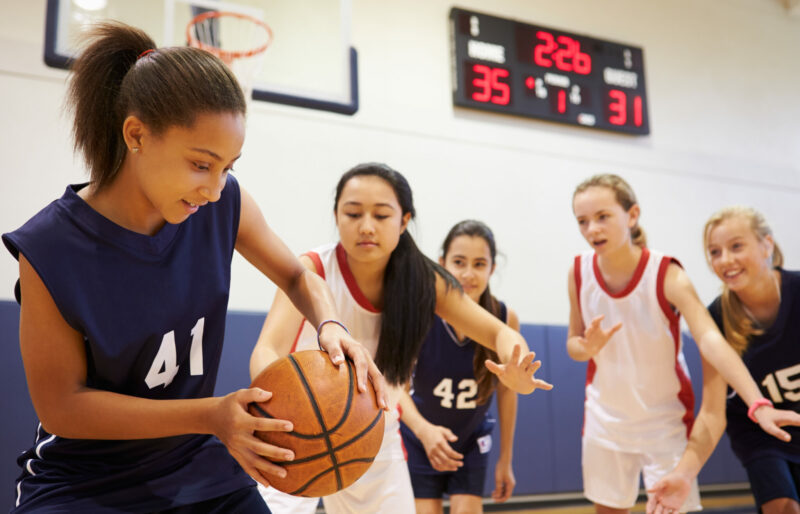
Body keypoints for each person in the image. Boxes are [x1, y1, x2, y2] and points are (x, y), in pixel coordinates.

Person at [2, 22, 385, 513]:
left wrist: (330, 324)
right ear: (136, 134)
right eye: (202, 164)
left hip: (193, 462)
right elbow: (62, 409)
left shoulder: (223, 203)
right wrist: (212, 415)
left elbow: (298, 276)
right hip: (84, 481)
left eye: (228, 166)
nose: (216, 185)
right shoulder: (50, 248)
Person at [249, 163, 552, 513]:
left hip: (372, 432)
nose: (366, 226)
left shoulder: (423, 280)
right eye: (352, 213)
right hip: (296, 430)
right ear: (336, 215)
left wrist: (518, 366)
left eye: (381, 215)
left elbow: (500, 331)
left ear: (404, 220)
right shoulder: (313, 268)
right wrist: (282, 407)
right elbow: (266, 348)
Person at [567, 175, 797, 514]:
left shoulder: (666, 273)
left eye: (602, 216)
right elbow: (573, 343)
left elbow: (711, 342)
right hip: (606, 420)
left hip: (664, 422)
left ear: (632, 215)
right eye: (582, 221)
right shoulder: (577, 271)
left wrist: (757, 403)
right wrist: (585, 348)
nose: (592, 229)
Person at [647, 206, 800, 514]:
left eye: (736, 246)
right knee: (783, 507)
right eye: (715, 252)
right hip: (758, 432)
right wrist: (684, 473)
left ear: (767, 244)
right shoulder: (716, 318)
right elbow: (713, 412)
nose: (725, 260)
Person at [398, 220, 518, 514]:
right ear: (441, 265)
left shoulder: (504, 317)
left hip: (471, 439)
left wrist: (506, 459)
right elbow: (396, 388)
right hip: (420, 437)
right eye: (459, 262)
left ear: (492, 268)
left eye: (479, 264)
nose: (468, 273)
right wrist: (424, 430)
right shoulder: (420, 313)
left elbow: (507, 392)